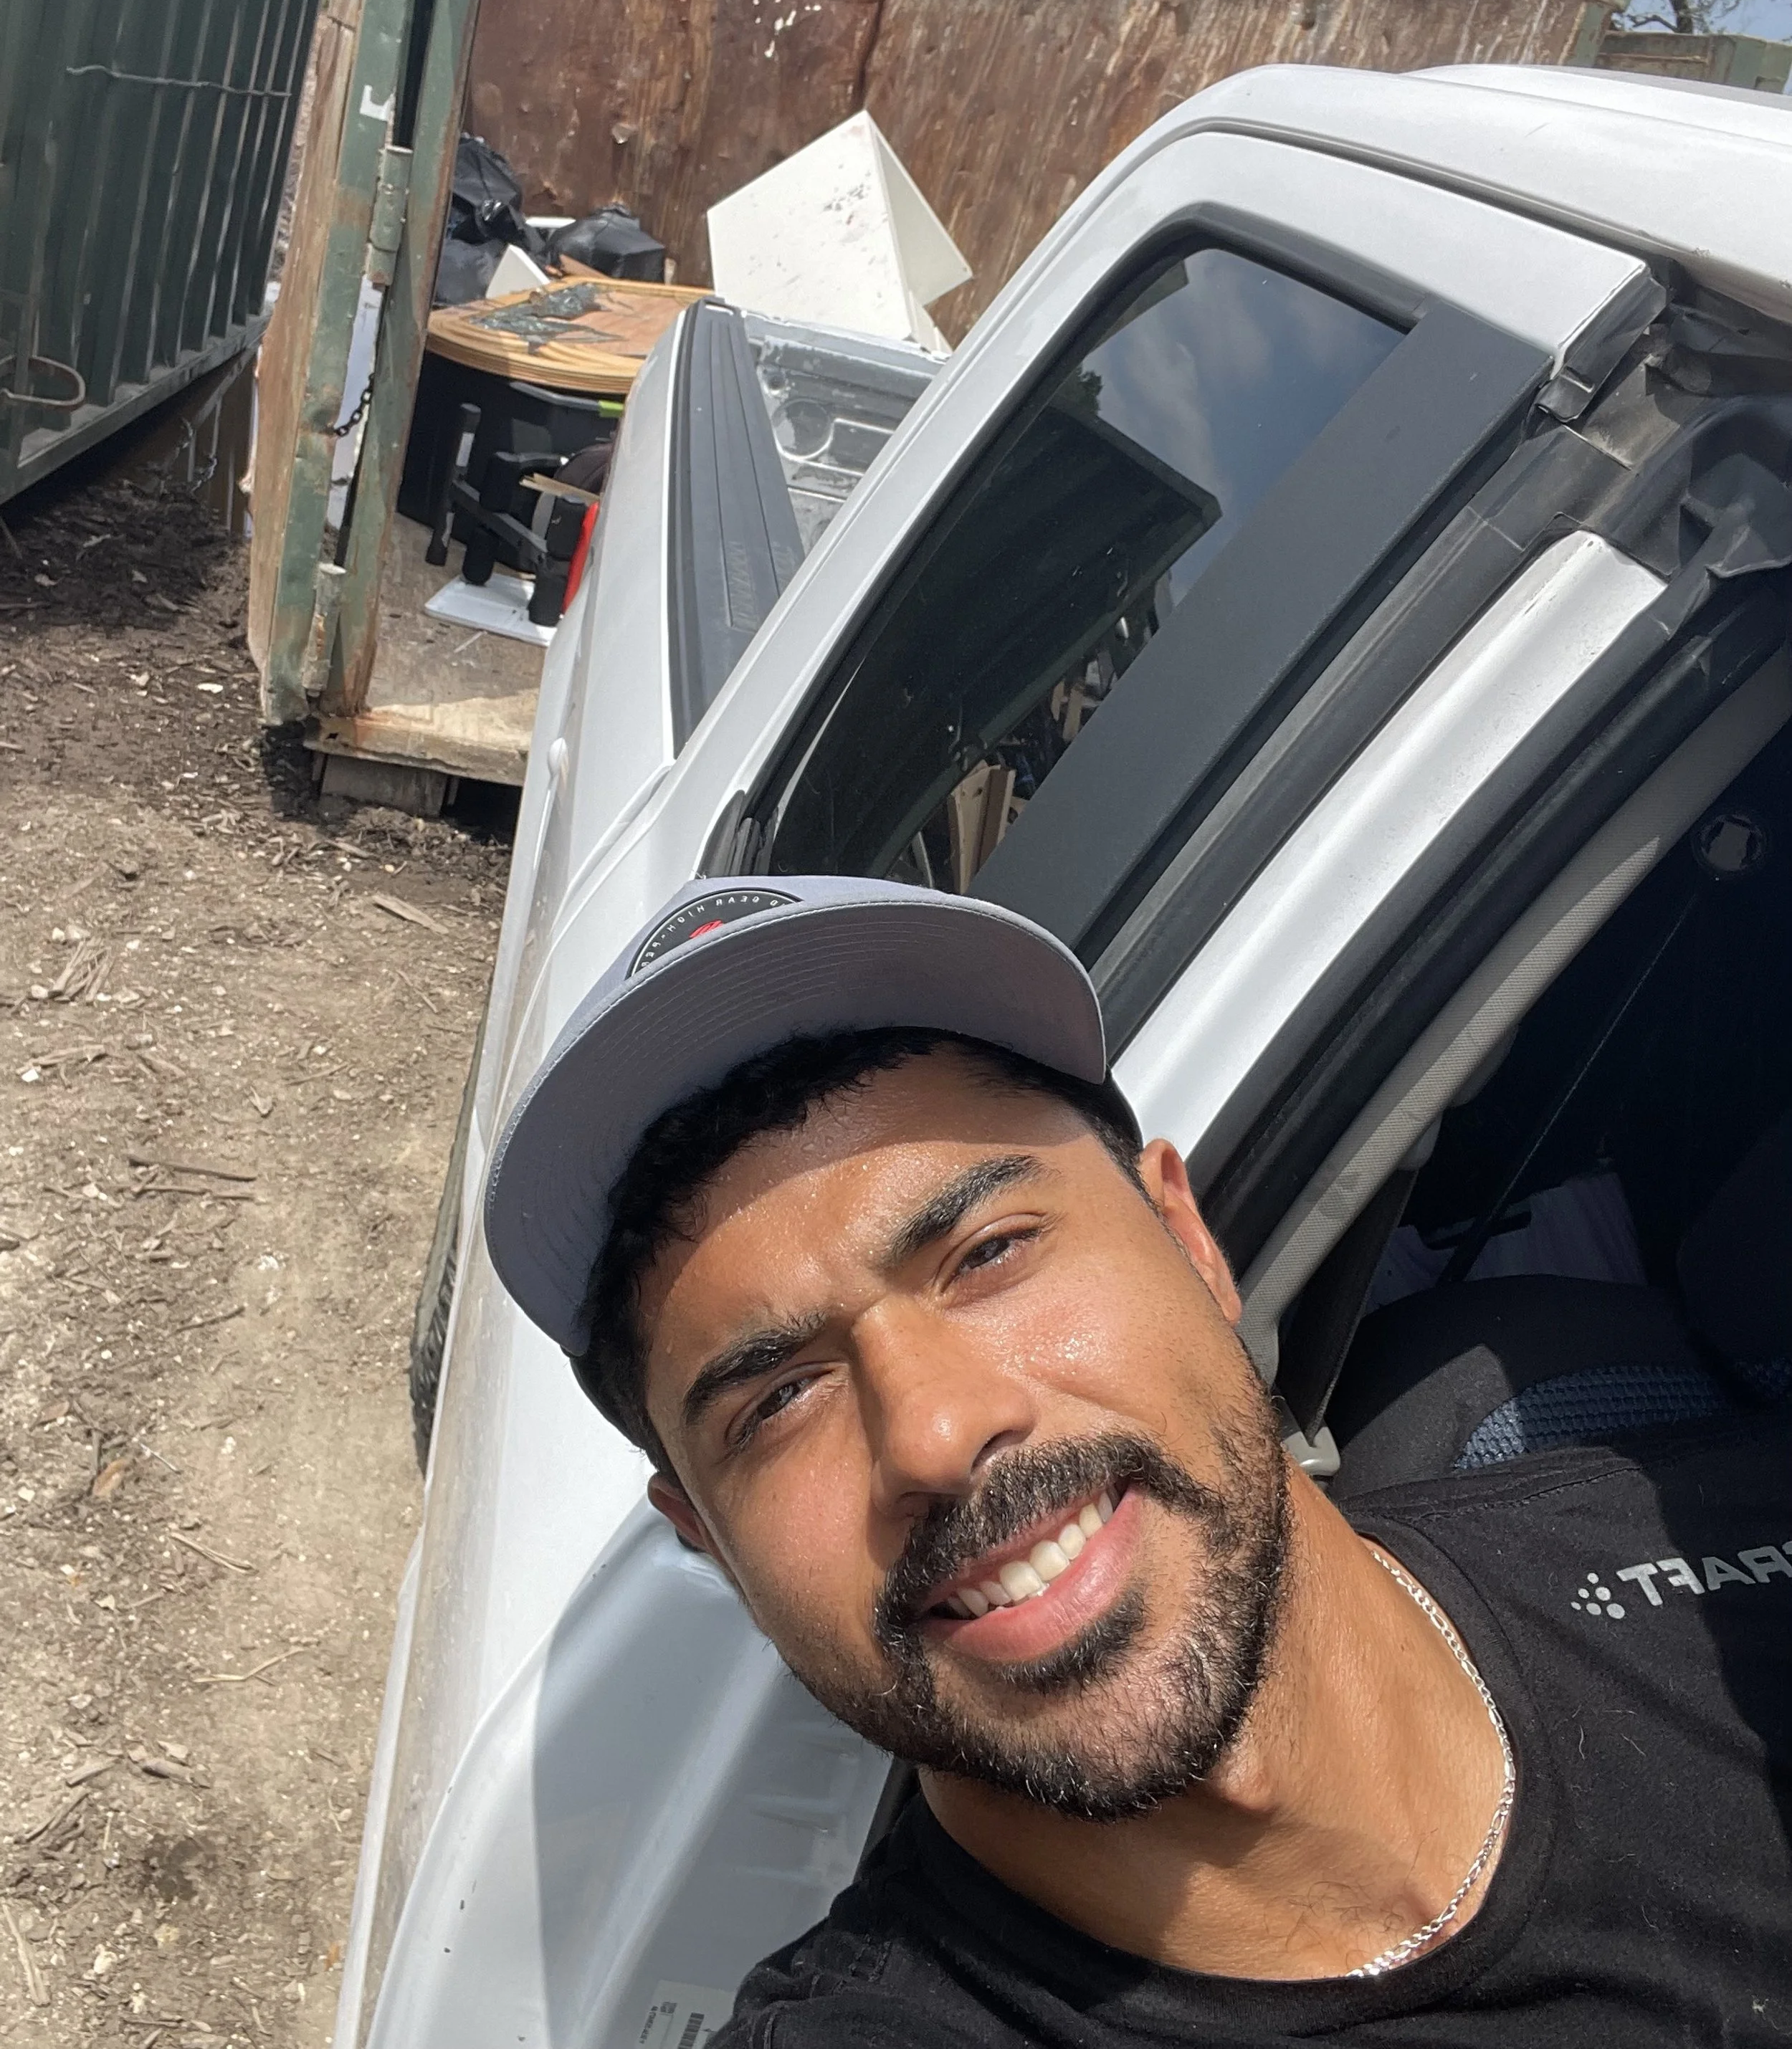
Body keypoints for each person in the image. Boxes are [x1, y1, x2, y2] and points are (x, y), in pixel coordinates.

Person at [485, 876, 1792, 2045]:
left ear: (1190, 1241)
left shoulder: (1724, 1569)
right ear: (707, 1536)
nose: (933, 1433)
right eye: (777, 1400)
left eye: (988, 1253)